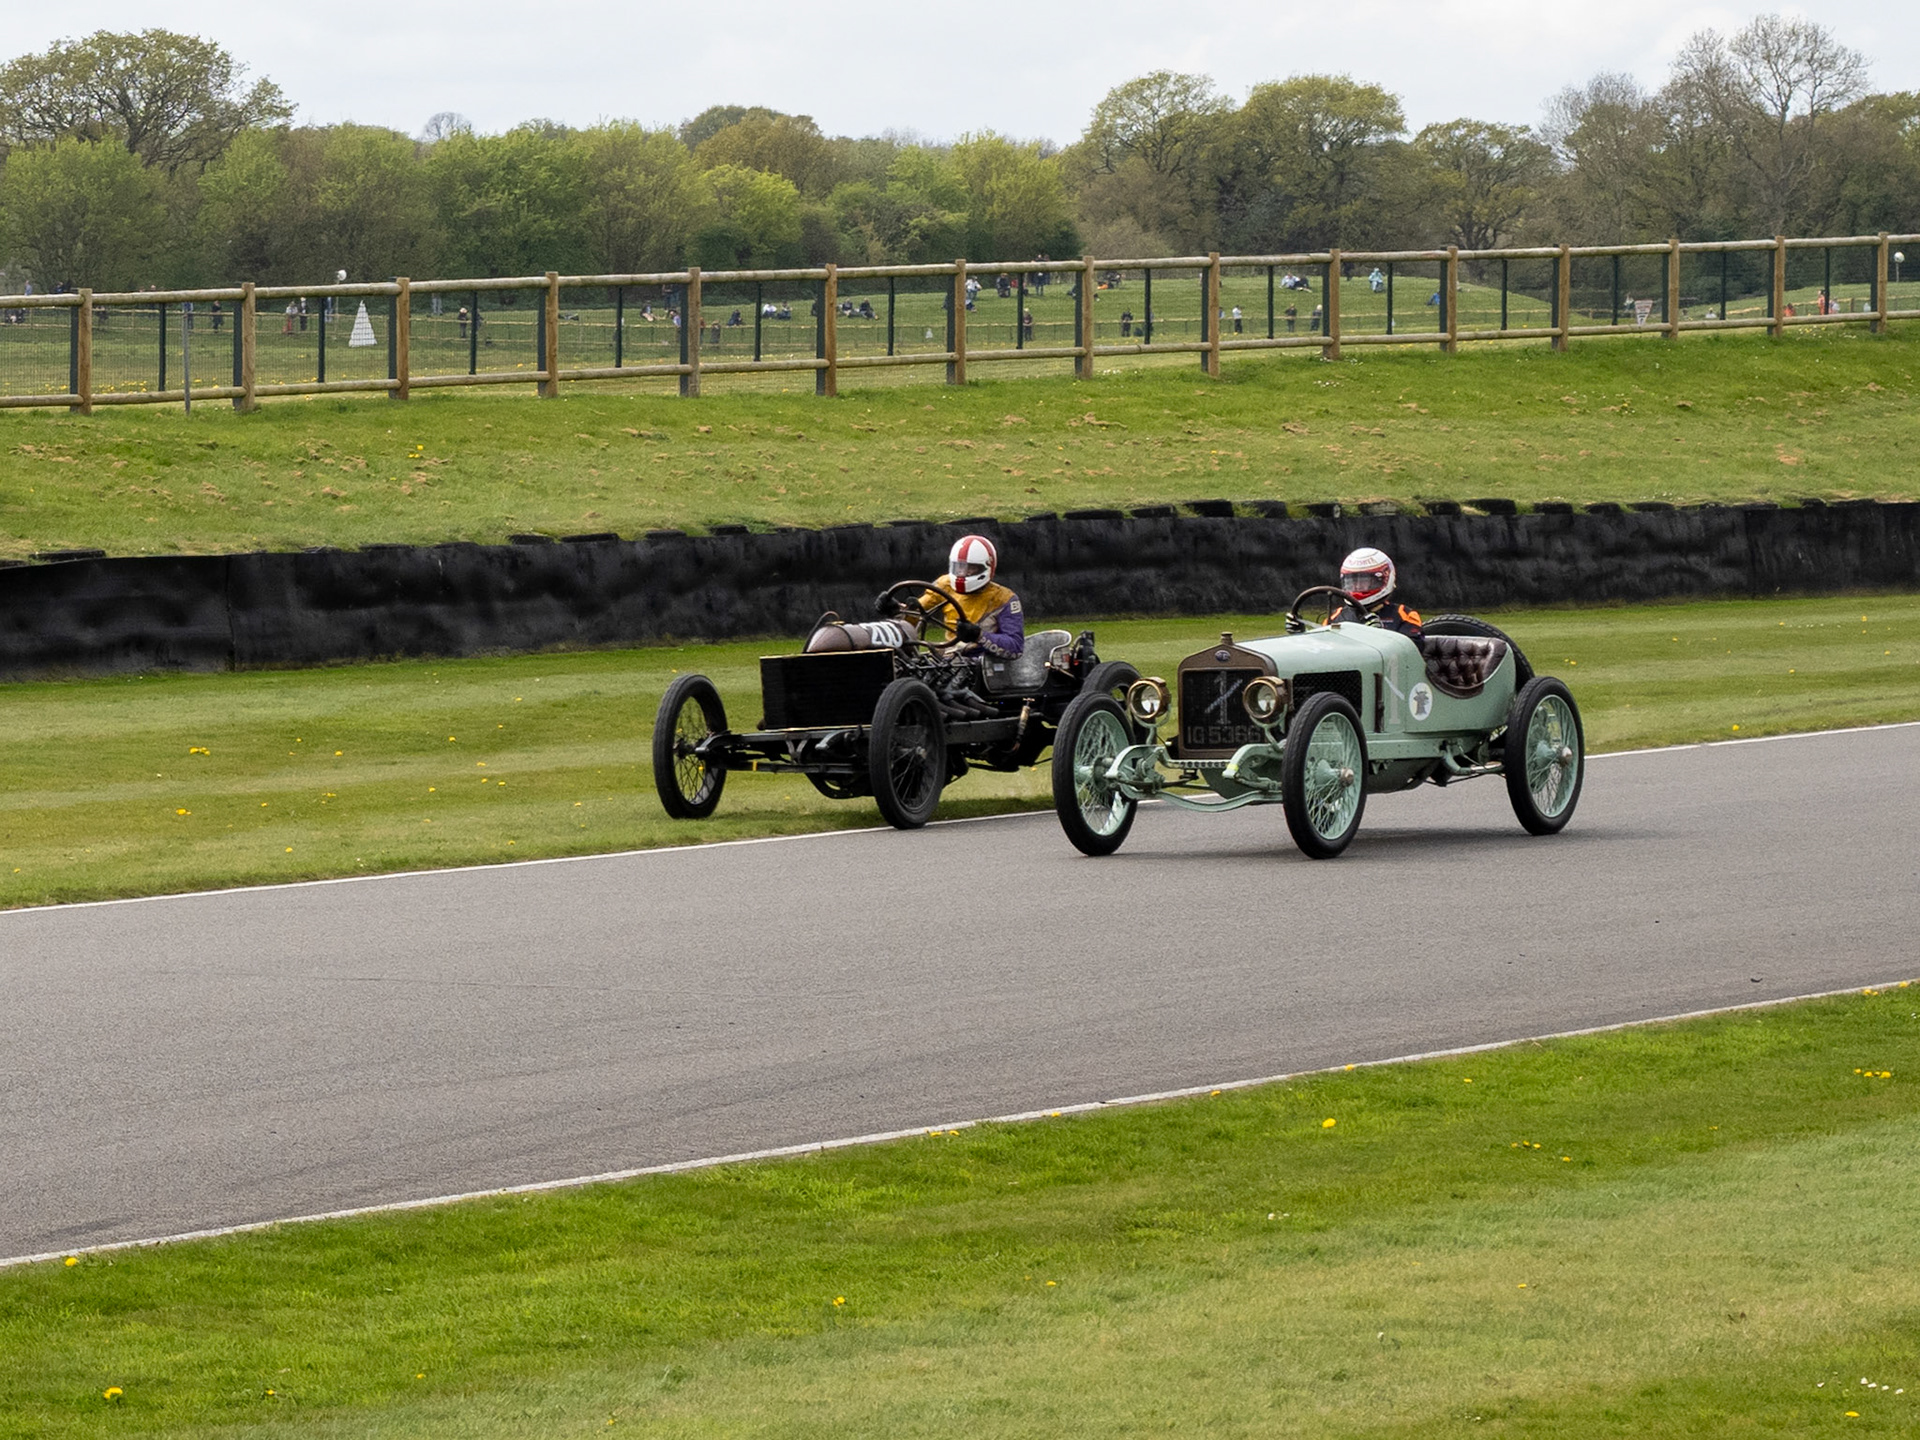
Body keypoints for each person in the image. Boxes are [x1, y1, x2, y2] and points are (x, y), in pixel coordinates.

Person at [890, 534, 1024, 659]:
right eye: (959, 567)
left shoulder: (1004, 599)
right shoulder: (944, 585)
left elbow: (1015, 647)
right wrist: (896, 611)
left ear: (987, 567)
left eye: (970, 568)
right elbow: (915, 615)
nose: (963, 573)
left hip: (980, 660)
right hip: (949, 656)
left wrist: (978, 635)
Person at [1332, 547, 1422, 641]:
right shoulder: (1336, 616)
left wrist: (1380, 636)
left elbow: (1413, 646)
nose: (1357, 586)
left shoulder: (1404, 615)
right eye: (1352, 582)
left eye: (1364, 582)